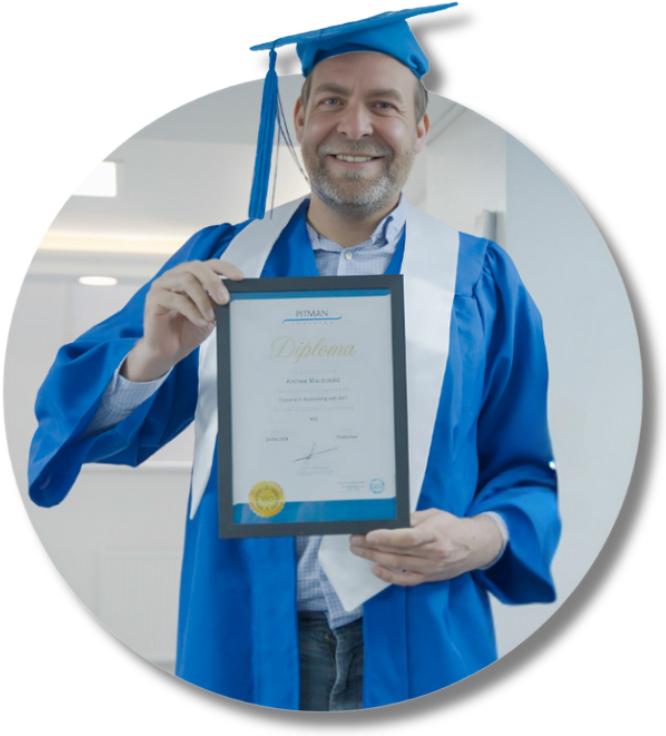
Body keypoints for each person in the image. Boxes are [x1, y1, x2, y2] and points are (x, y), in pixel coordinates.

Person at [28, 3, 560, 711]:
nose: (356, 126)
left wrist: (481, 538)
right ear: (301, 119)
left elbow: (524, 470)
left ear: (421, 128)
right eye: (331, 102)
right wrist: (152, 355)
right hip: (249, 633)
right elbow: (84, 424)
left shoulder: (482, 279)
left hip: (421, 635)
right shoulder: (219, 259)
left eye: (383, 105)